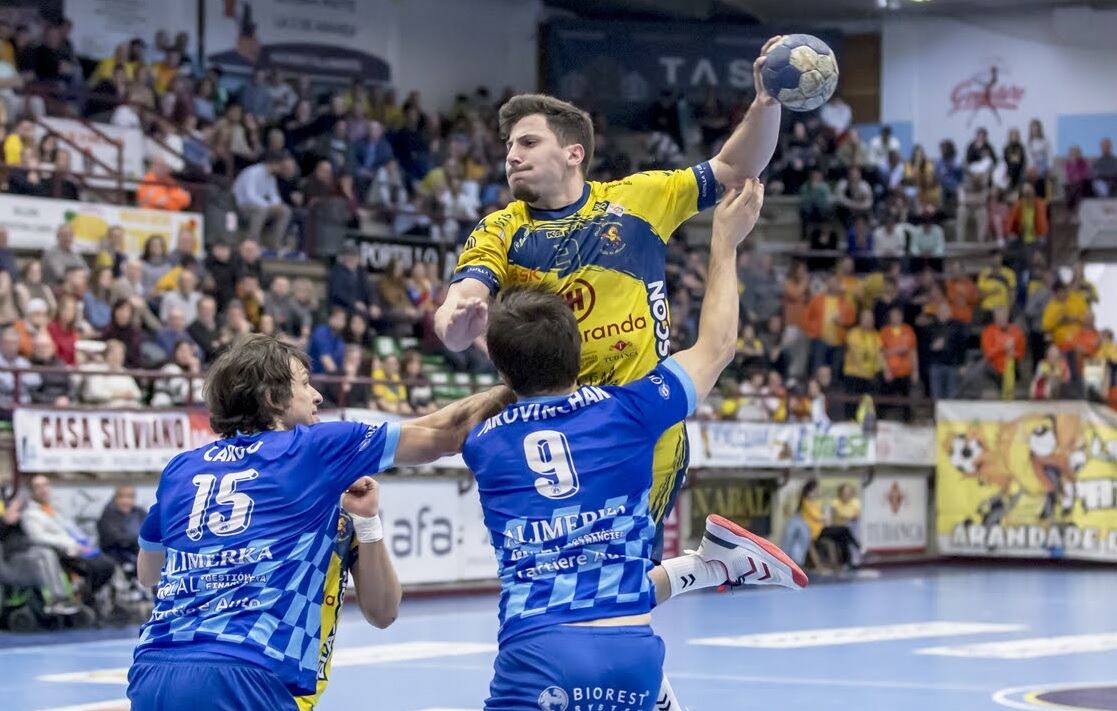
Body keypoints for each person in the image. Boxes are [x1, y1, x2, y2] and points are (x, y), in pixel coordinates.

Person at [463, 182, 806, 710]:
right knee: (610, 571)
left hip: (536, 653)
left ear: (501, 367)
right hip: (633, 651)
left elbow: (432, 433)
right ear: (579, 352)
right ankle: (705, 568)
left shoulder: (481, 441)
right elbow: (716, 348)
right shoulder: (628, 411)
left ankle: (706, 568)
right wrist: (725, 244)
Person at [437, 43, 783, 564]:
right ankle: (710, 569)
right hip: (561, 430)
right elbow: (461, 302)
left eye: (528, 142)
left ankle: (710, 569)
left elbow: (736, 166)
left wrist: (768, 103)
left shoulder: (639, 200)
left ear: (573, 153)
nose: (512, 154)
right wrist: (458, 322)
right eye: (510, 145)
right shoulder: (502, 229)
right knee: (585, 582)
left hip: (644, 425)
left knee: (613, 580)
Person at [128, 334, 516, 710]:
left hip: (153, 672)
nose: (317, 395)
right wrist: (528, 379)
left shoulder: (180, 469)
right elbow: (443, 432)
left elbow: (149, 574)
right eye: (304, 384)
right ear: (271, 398)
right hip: (245, 673)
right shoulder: (312, 449)